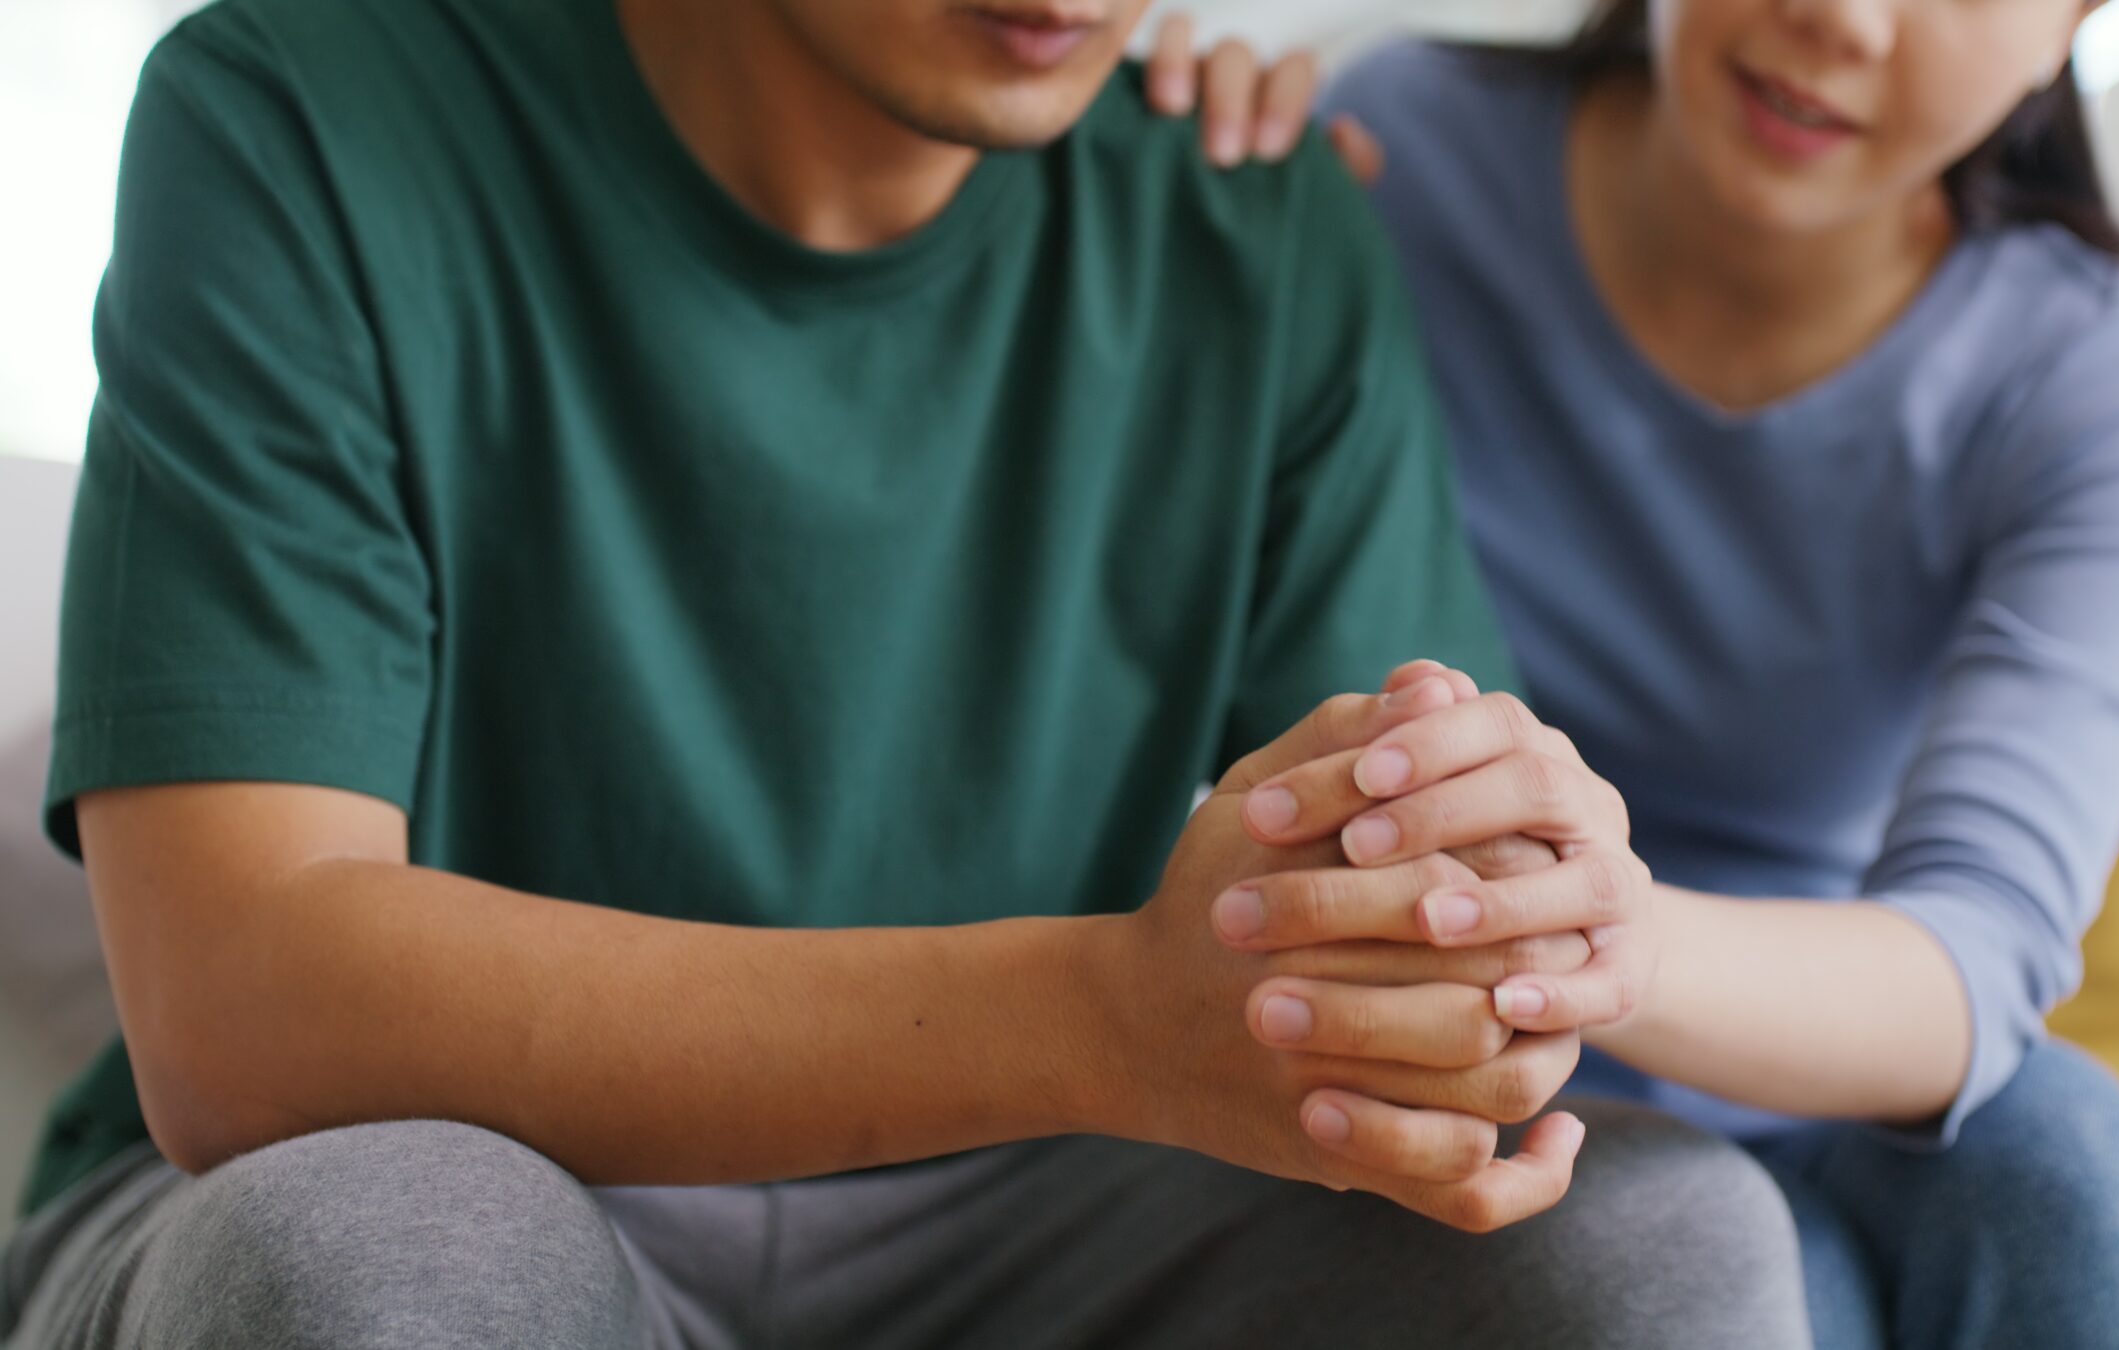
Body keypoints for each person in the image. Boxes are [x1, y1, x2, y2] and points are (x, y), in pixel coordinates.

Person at [0, 0, 1820, 1346]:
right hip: (445, 1165)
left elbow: (1409, 899)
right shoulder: (300, 108)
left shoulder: (1257, 222)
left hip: (1021, 1199)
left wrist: (1494, 935)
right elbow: (243, 1012)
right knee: (380, 1254)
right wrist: (1112, 1015)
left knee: (1660, 1243)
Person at [1148, 0, 2119, 1344]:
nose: (1838, 18)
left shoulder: (2100, 382)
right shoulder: (1402, 154)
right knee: (1730, 1271)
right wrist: (1156, 165)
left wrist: (1598, 932)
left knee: (2073, 1177)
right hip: (1452, 1045)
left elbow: (1977, 957)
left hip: (1818, 1044)